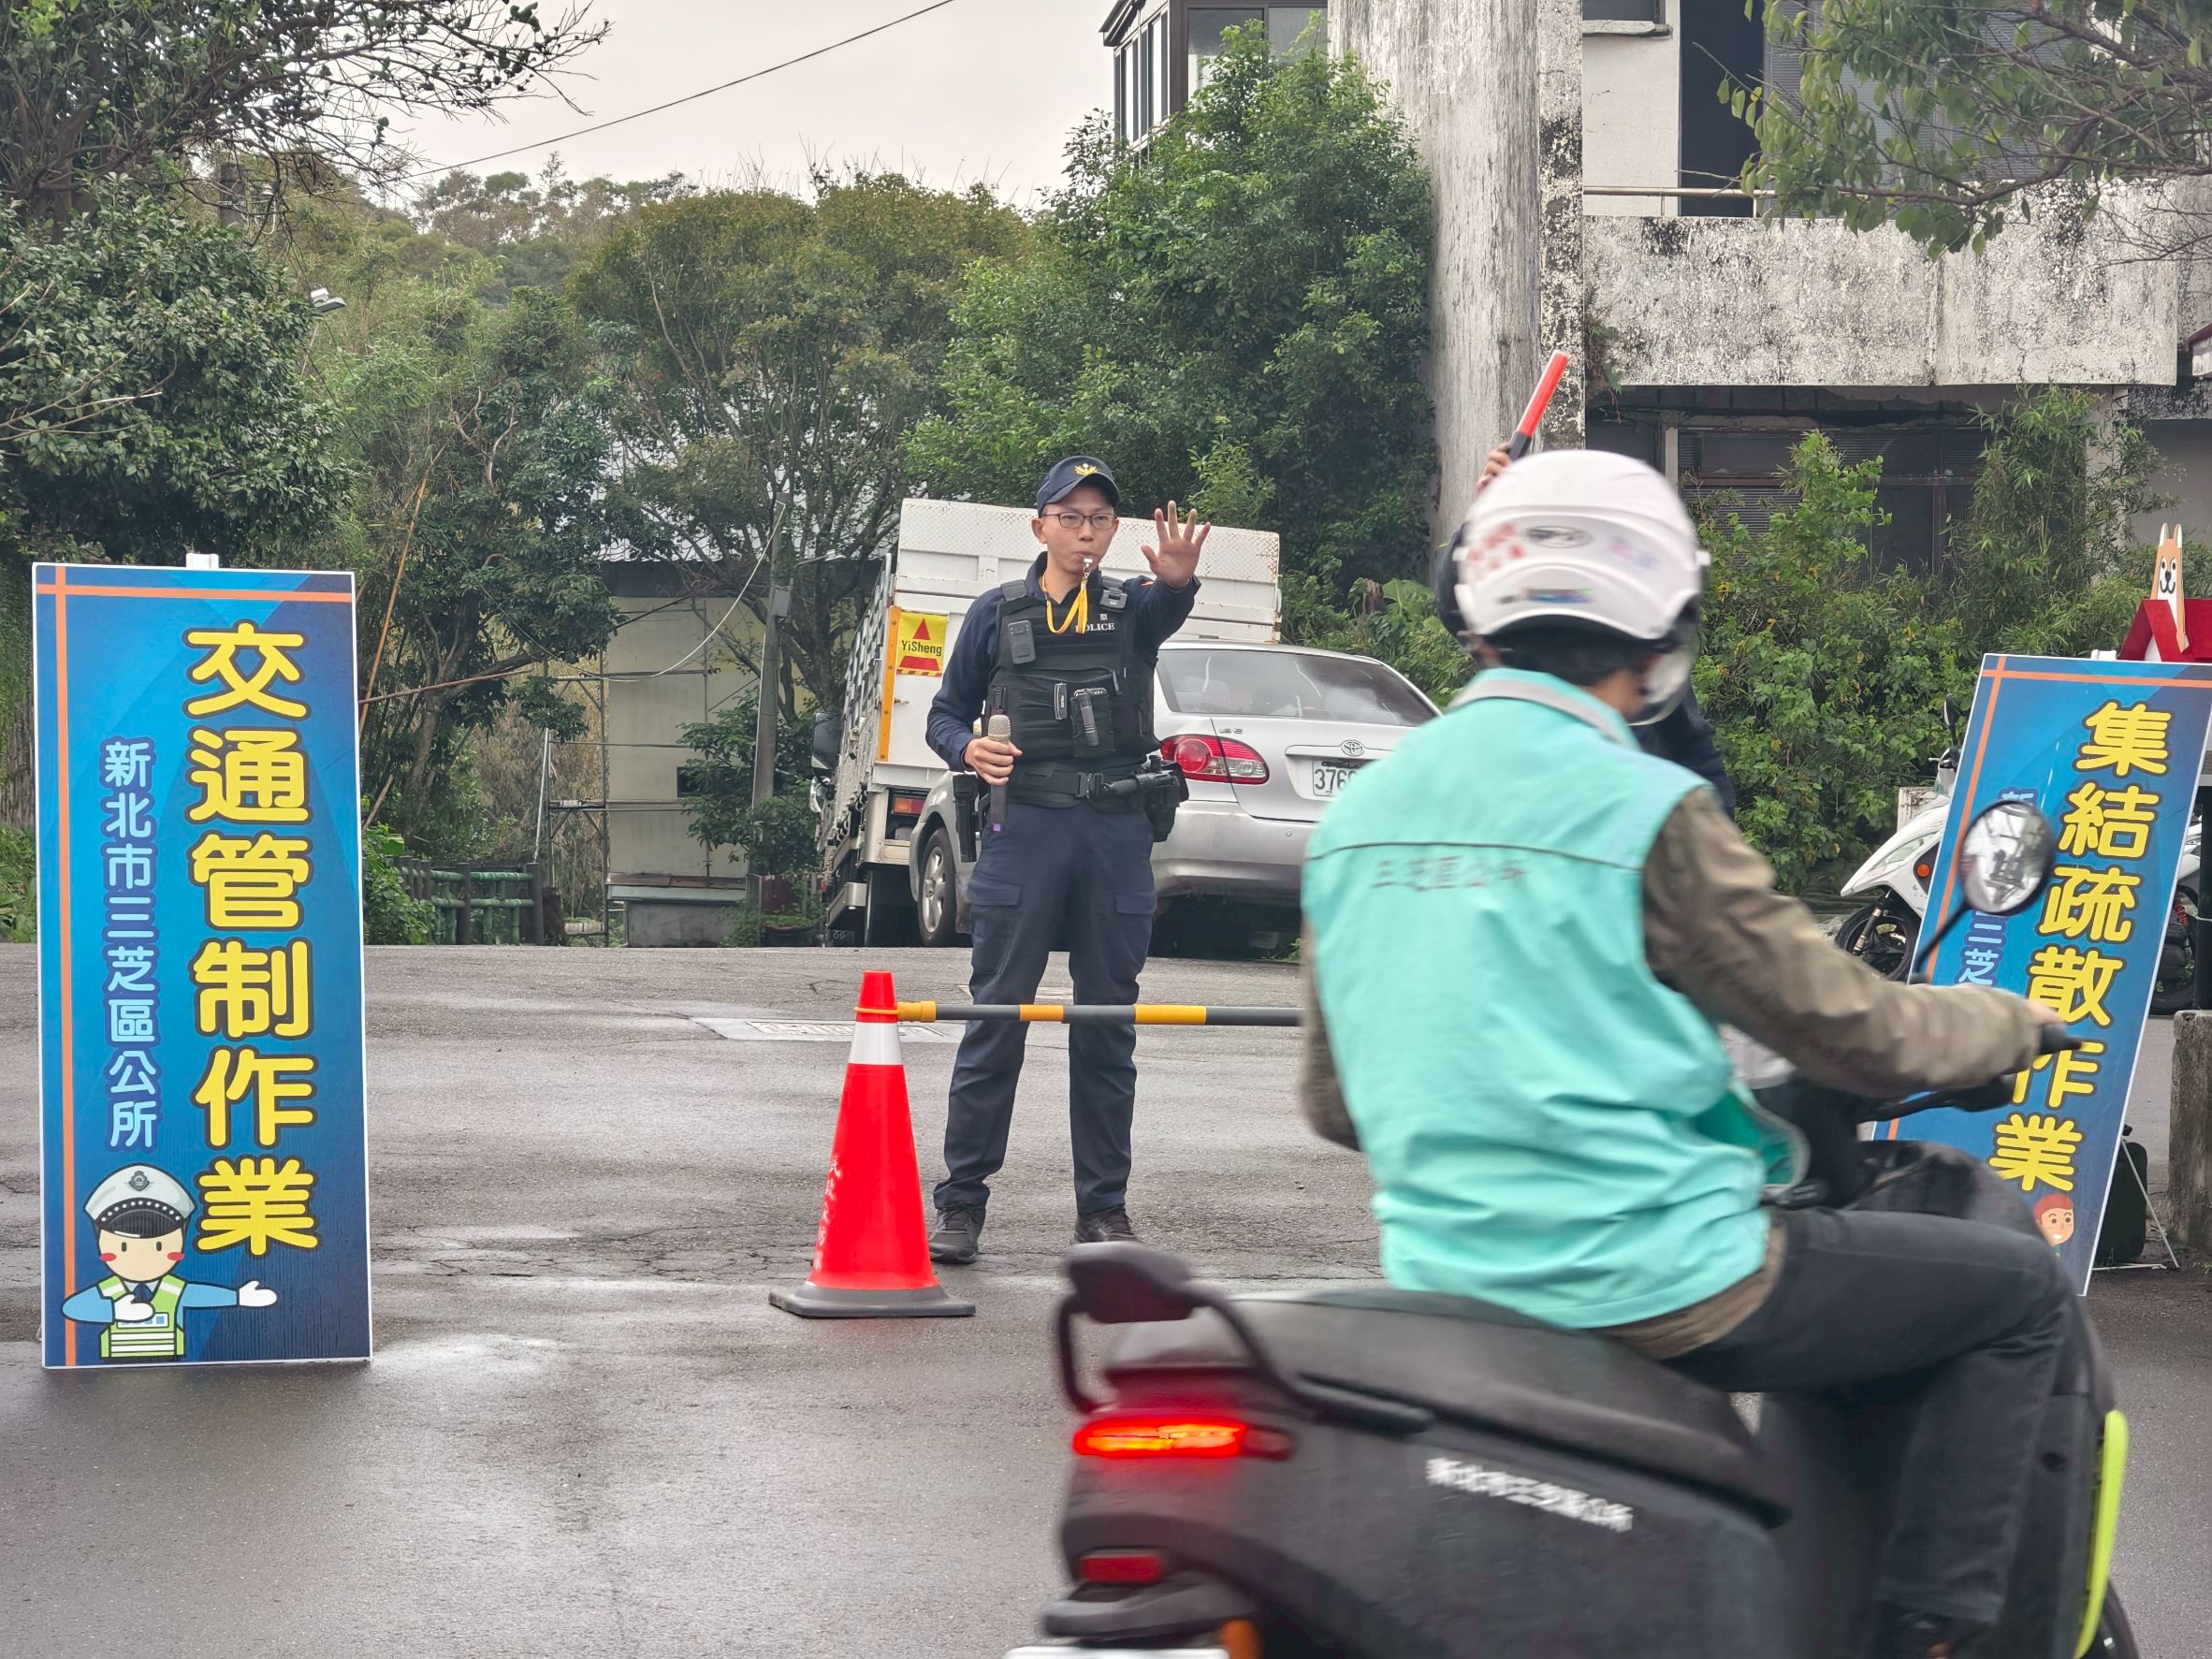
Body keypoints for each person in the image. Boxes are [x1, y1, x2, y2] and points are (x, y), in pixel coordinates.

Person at [1298, 448, 2073, 1659]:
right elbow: (1851, 1030)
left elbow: (1339, 1104)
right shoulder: (1650, 811)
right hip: (1662, 1278)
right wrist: (2009, 1025)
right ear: (1661, 634)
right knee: (2018, 1295)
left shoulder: (1356, 816)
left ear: (1484, 612)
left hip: (1445, 1271)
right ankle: (1934, 1638)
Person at [923, 457, 1210, 1262]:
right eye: (1072, 517)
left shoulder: (1134, 610)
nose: (1087, 532)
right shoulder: (996, 613)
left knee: (1106, 1023)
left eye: (1101, 520)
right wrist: (968, 745)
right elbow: (944, 713)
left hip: (1116, 830)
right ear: (1040, 523)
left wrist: (1180, 582)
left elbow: (1168, 605)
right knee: (996, 1017)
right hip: (1027, 829)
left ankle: (1103, 1212)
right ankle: (962, 1205)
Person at [1478, 442, 1735, 814]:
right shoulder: (1520, 629)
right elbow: (1460, 602)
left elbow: (1694, 745)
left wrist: (1714, 830)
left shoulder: (1641, 635)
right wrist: (1488, 520)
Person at [59, 1164, 278, 1361]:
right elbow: (72, 1307)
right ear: (101, 1242)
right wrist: (113, 1311)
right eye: (124, 1246)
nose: (142, 1255)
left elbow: (200, 1295)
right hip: (110, 1369)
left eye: (158, 1246)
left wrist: (238, 1297)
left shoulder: (174, 1289)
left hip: (174, 1363)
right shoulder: (108, 1290)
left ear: (181, 1240)